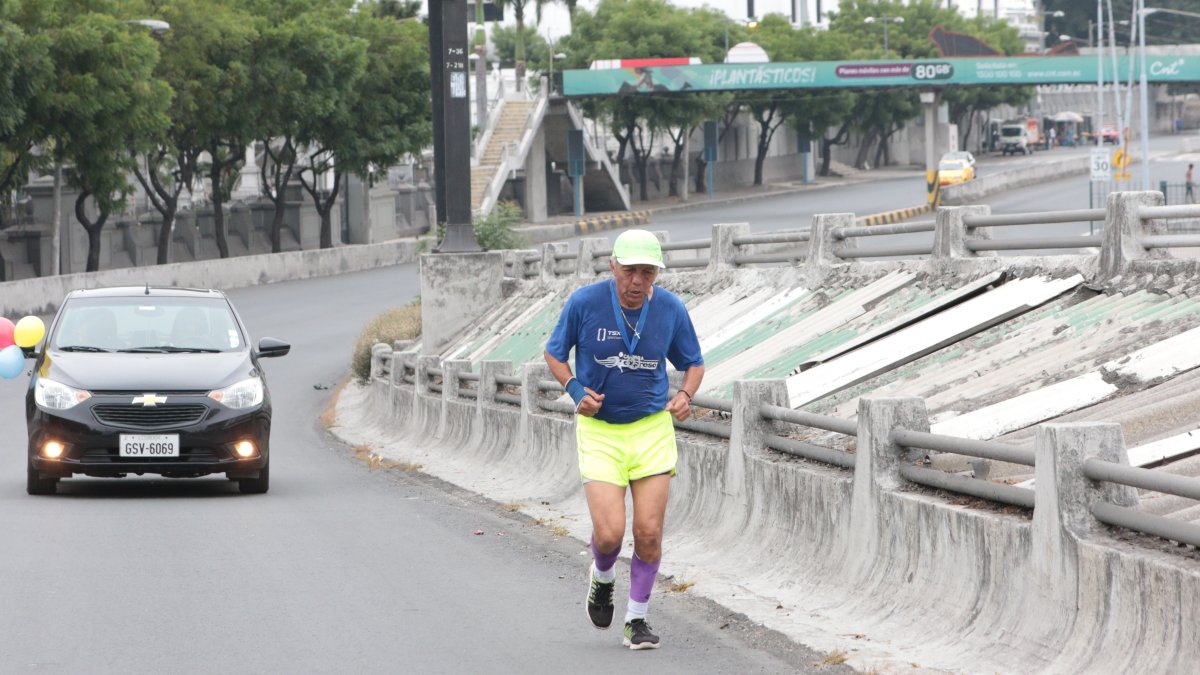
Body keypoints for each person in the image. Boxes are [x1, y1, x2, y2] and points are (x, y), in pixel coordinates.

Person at [544, 229, 704, 650]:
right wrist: (576, 391)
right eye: (629, 270)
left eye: (647, 272)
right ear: (612, 266)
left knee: (649, 533)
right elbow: (554, 353)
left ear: (656, 274)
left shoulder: (669, 308)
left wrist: (686, 395)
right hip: (600, 434)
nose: (637, 282)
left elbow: (694, 362)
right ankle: (602, 575)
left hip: (651, 429)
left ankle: (637, 620)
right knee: (611, 535)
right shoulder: (585, 303)